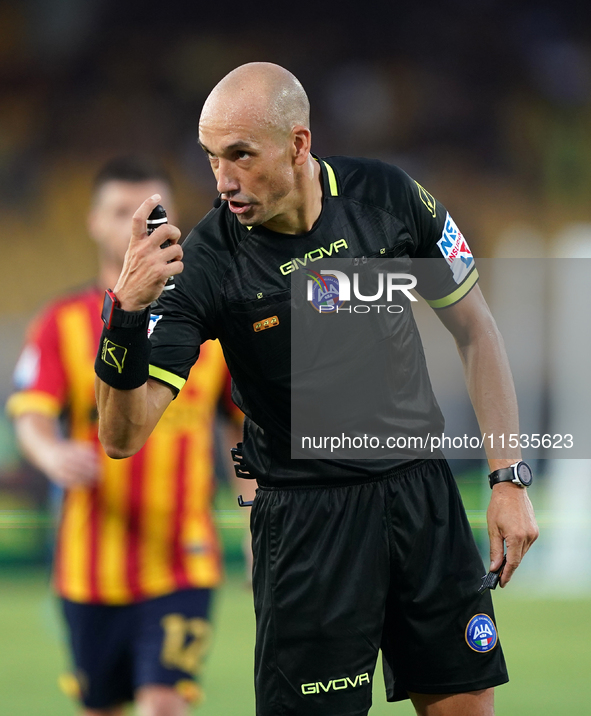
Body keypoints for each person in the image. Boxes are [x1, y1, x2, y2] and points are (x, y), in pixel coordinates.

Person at [93, 64, 539, 716]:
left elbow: (474, 329)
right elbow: (120, 435)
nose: (222, 180)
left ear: (298, 144)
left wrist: (508, 476)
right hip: (308, 525)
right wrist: (125, 315)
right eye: (212, 158)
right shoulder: (207, 264)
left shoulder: (386, 198)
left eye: (241, 156)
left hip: (421, 496)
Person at [7, 156, 248, 716]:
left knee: (164, 703)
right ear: (94, 222)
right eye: (121, 212)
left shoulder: (207, 324)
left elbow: (243, 430)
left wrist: (259, 518)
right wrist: (53, 452)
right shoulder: (62, 322)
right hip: (88, 570)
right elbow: (30, 414)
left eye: (153, 213)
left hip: (182, 560)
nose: (136, 227)